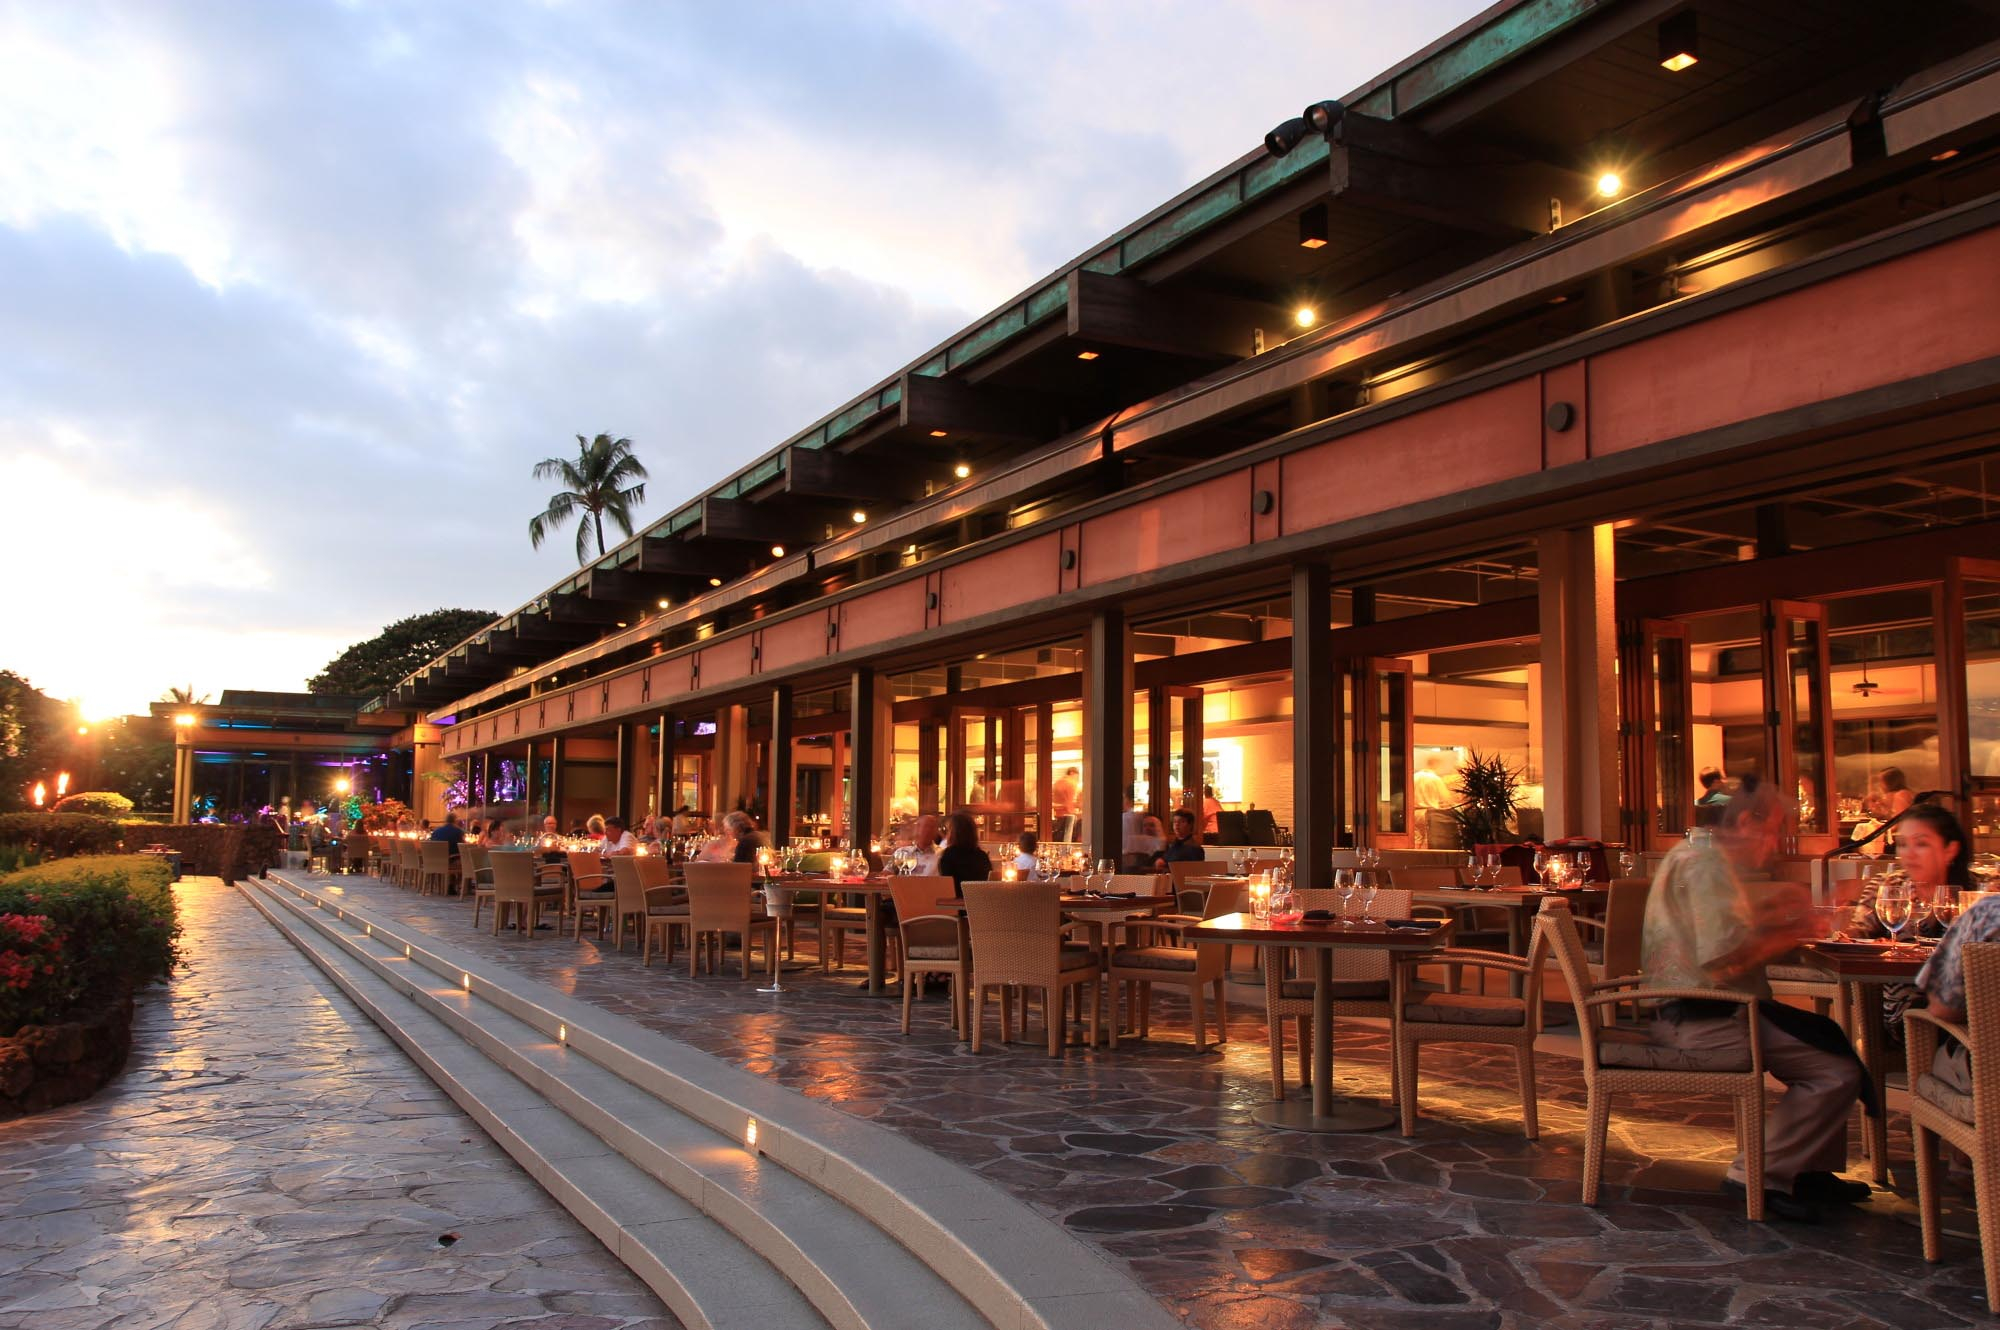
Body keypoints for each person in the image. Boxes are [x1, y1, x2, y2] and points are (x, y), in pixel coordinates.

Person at [1637, 779, 1867, 1221]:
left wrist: (1774, 914)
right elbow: (1724, 959)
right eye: (1778, 830)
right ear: (1747, 821)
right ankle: (1759, 1173)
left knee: (1826, 1039)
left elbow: (1711, 931)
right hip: (1704, 1019)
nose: (1780, 844)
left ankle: (1806, 1170)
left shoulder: (1696, 854)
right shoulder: (1707, 866)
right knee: (1833, 1067)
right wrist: (1800, 927)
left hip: (1694, 1007)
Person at [1911, 806, 1986, 1098]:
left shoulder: (1981, 903)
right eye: (1903, 843)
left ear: (1950, 849)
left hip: (1972, 1051)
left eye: (1921, 843)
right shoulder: (1987, 903)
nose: (1908, 853)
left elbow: (1944, 1009)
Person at [936, 812, 992, 896]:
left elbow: (946, 885)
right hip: (978, 904)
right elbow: (988, 885)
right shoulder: (982, 856)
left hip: (954, 905)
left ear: (953, 832)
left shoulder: (948, 855)